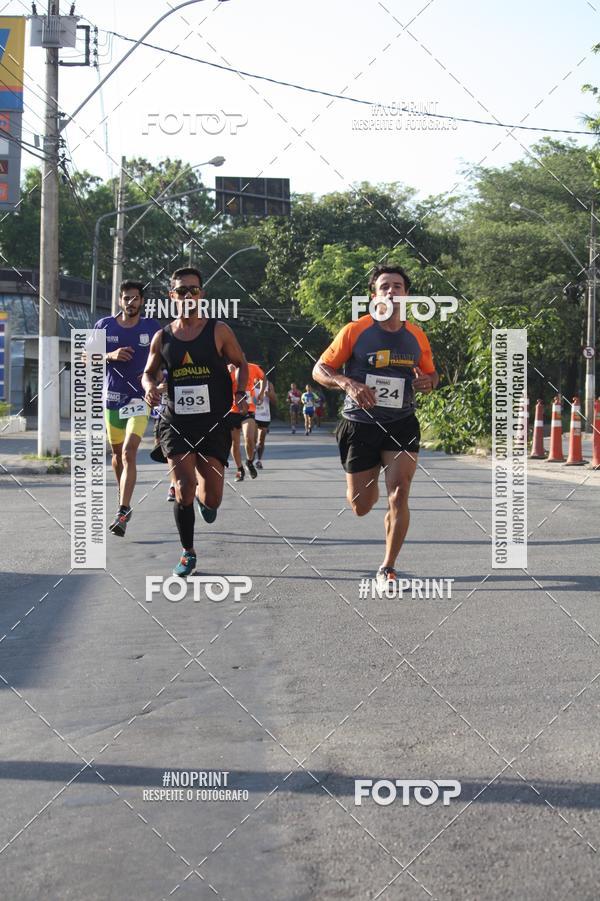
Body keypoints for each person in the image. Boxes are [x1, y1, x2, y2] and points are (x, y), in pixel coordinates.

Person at [312, 265, 439, 589]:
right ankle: (369, 484)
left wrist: (428, 382)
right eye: (385, 286)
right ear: (375, 295)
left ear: (407, 295)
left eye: (398, 286)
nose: (392, 291)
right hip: (360, 424)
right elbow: (320, 369)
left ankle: (388, 567)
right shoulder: (356, 330)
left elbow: (431, 375)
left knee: (400, 494)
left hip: (401, 423)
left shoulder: (416, 335)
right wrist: (346, 383)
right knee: (361, 505)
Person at [142, 267, 248, 577]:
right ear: (171, 296)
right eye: (182, 291)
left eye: (194, 290)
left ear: (201, 294)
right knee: (184, 487)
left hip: (213, 422)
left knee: (211, 497)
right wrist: (149, 387)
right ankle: (188, 552)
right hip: (176, 422)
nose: (188, 295)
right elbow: (149, 372)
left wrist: (240, 392)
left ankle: (204, 502)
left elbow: (240, 363)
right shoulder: (162, 337)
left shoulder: (218, 330)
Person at [94, 279, 161, 537]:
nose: (130, 302)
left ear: (142, 301)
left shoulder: (151, 328)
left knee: (130, 453)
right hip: (112, 400)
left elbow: (162, 360)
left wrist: (160, 382)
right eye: (126, 298)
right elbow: (85, 357)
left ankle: (122, 510)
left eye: (135, 298)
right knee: (117, 455)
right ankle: (124, 496)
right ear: (120, 300)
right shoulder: (104, 325)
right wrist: (110, 356)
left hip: (139, 400)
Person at [228, 361, 265, 481]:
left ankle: (249, 462)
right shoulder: (229, 369)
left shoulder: (253, 367)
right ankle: (240, 469)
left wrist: (261, 394)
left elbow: (263, 378)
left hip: (248, 409)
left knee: (249, 438)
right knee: (235, 443)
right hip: (232, 410)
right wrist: (228, 373)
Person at [254, 378, 276, 468]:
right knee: (252, 439)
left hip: (264, 416)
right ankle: (251, 459)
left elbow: (275, 401)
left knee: (261, 441)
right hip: (253, 415)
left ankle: (259, 460)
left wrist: (269, 394)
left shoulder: (269, 385)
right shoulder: (250, 382)